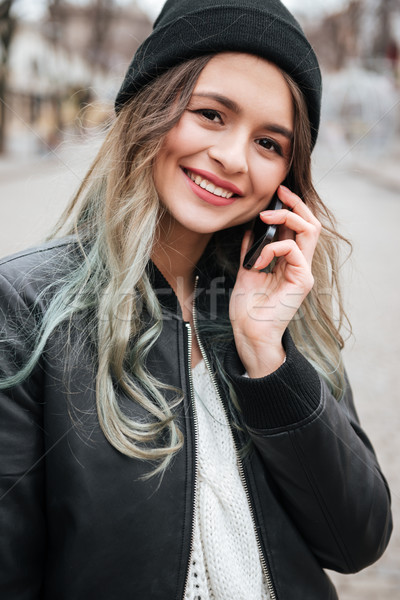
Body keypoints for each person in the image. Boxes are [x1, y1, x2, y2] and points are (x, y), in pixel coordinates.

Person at [0, 1, 392, 598]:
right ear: (150, 108)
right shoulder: (26, 306)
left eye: (268, 142)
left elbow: (356, 540)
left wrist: (266, 354)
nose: (234, 159)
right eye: (211, 115)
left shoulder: (284, 306)